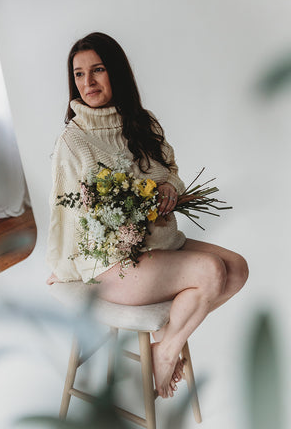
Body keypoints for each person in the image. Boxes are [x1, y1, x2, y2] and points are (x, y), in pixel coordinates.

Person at [46, 32, 249, 399]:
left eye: (98, 70)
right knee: (210, 271)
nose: (87, 82)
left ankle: (164, 344)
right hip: (115, 262)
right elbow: (68, 210)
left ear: (116, 73)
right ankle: (168, 353)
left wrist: (170, 187)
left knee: (236, 268)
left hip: (163, 245)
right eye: (78, 74)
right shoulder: (73, 141)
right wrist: (65, 266)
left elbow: (170, 169)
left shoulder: (143, 122)